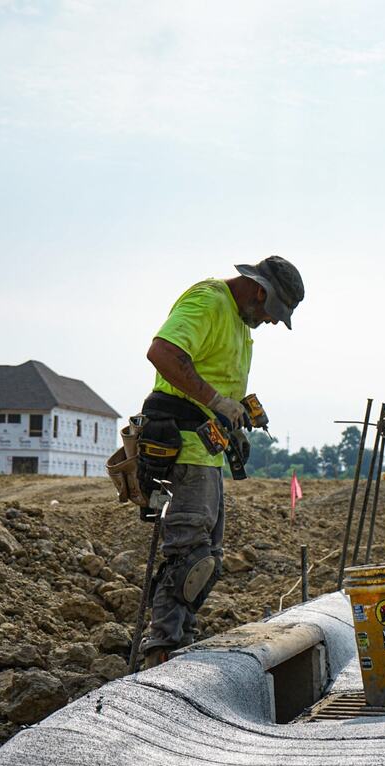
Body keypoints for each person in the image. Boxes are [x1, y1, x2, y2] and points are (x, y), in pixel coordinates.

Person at [139, 256, 304, 668]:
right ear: (258, 291)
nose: (268, 322)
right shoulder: (209, 301)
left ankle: (177, 641)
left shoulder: (239, 322)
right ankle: (162, 650)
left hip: (205, 449)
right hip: (183, 446)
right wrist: (214, 401)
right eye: (271, 312)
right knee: (189, 558)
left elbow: (217, 379)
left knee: (205, 562)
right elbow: (161, 353)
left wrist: (235, 420)